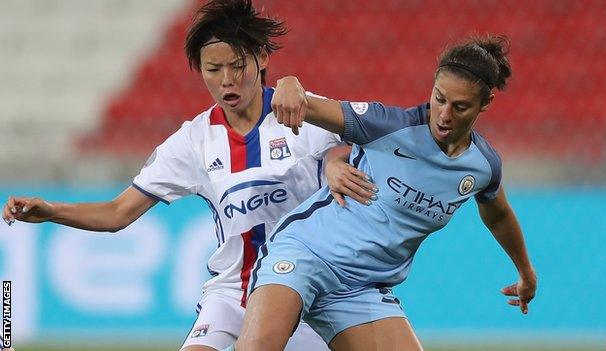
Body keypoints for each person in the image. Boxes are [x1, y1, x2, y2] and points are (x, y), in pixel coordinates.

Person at [1, 1, 377, 350]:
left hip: (308, 288)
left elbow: (369, 139)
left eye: (237, 65)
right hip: (234, 291)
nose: (227, 80)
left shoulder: (299, 111)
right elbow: (117, 214)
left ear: (262, 58)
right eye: (213, 70)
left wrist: (329, 150)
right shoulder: (192, 141)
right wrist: (51, 211)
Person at [230, 35, 538, 351]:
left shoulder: (482, 166)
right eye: (439, 98)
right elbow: (305, 106)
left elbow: (498, 215)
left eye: (460, 107)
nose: (444, 115)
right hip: (305, 253)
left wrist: (525, 271)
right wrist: (289, 84)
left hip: (362, 288)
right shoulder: (388, 125)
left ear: (485, 103)